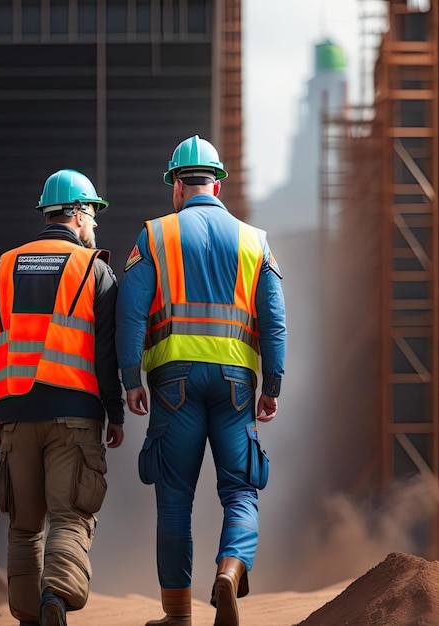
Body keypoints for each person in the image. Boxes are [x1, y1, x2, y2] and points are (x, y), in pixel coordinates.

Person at [115, 136, 287, 626]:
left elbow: (129, 315)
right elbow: (274, 322)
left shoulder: (154, 236)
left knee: (174, 498)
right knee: (240, 492)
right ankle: (230, 570)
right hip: (236, 385)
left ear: (176, 185)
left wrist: (132, 380)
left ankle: (178, 616)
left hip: (173, 384)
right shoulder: (255, 241)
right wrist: (271, 386)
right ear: (218, 184)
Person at [0, 169, 125, 626]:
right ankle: (55, 602)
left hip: (16, 413)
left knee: (24, 526)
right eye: (94, 215)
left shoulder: (7, 264)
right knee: (70, 515)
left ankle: (29, 616)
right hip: (75, 413)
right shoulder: (94, 269)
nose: (96, 226)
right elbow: (106, 353)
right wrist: (114, 411)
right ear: (79, 213)